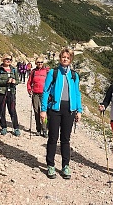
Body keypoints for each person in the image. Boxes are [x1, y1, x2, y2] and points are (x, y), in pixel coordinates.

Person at [41, 48, 82, 180]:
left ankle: (65, 166)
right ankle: (50, 165)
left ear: (71, 60)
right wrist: (43, 109)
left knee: (65, 139)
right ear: (60, 58)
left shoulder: (74, 75)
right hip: (54, 109)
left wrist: (79, 110)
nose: (65, 59)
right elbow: (45, 91)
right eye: (63, 57)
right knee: (53, 138)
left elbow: (77, 93)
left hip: (69, 110)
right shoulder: (53, 72)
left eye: (68, 57)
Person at [0, 54, 20, 136]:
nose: (8, 61)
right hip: (1, 92)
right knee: (1, 110)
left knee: (12, 110)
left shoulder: (14, 70)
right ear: (3, 59)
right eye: (7, 59)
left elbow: (18, 80)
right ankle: (4, 127)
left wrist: (14, 82)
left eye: (10, 59)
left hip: (11, 92)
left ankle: (16, 128)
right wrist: (6, 82)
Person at [27, 57, 48, 137]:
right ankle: (38, 129)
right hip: (35, 93)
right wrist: (29, 90)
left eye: (41, 62)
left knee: (44, 111)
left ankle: (45, 129)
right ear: (36, 63)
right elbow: (29, 82)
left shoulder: (46, 71)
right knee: (36, 112)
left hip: (44, 94)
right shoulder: (33, 72)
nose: (40, 63)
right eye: (38, 62)